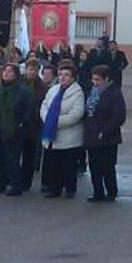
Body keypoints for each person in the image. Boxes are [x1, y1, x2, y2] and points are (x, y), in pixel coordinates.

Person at [0, 64, 32, 197]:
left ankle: (15, 185)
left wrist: (20, 125)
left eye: (9, 71)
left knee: (12, 159)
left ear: (16, 74)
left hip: (13, 130)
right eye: (5, 70)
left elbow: (27, 111)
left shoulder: (23, 91)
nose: (5, 73)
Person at [40, 64, 85, 199]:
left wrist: (55, 121)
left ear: (72, 78)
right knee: (54, 164)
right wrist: (48, 119)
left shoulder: (77, 93)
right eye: (60, 74)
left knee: (68, 164)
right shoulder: (53, 90)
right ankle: (55, 188)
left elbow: (76, 114)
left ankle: (70, 189)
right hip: (51, 133)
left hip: (68, 135)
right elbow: (44, 105)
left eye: (66, 75)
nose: (63, 77)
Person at [85, 65, 126, 202]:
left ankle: (111, 191)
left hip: (108, 137)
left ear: (106, 79)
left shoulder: (114, 93)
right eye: (93, 79)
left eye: (98, 79)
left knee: (107, 166)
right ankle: (98, 192)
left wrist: (105, 131)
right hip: (92, 135)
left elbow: (119, 116)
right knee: (94, 166)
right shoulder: (92, 92)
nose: (94, 82)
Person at [21, 59, 46, 191]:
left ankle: (26, 181)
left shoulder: (42, 87)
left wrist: (34, 114)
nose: (31, 71)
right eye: (29, 69)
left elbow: (43, 104)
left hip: (33, 125)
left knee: (29, 155)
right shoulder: (20, 83)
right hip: (19, 124)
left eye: (34, 69)